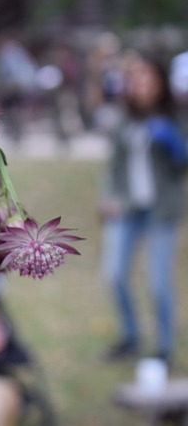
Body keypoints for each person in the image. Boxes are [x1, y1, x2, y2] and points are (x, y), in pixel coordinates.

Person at [101, 54, 188, 363]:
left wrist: (175, 142)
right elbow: (113, 166)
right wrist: (109, 197)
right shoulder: (124, 116)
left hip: (161, 211)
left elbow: (183, 163)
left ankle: (164, 348)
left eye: (149, 79)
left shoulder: (176, 114)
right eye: (137, 79)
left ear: (161, 82)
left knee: (158, 281)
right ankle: (131, 338)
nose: (142, 85)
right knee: (114, 275)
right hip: (127, 208)